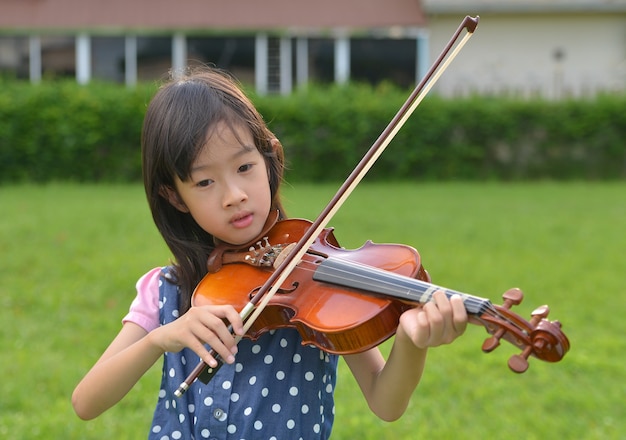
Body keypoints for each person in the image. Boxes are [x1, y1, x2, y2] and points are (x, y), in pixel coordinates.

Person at [72, 67, 468, 439]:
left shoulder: (317, 281)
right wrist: (159, 339)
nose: (234, 195)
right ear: (174, 197)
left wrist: (412, 343)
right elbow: (86, 402)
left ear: (269, 159)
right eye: (206, 181)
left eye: (244, 167)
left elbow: (386, 401)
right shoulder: (166, 290)